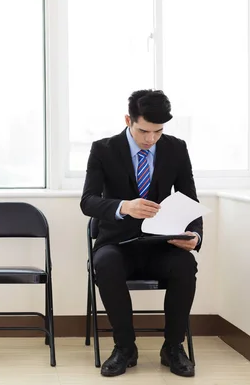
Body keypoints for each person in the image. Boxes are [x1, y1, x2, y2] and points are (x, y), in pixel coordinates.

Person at [80, 89, 202, 378]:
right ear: (128, 120)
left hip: (161, 245)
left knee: (186, 265)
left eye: (158, 132)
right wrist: (125, 206)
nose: (151, 139)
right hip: (118, 244)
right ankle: (125, 348)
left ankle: (173, 347)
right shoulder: (103, 149)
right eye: (144, 131)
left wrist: (195, 236)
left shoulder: (176, 148)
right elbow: (88, 201)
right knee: (105, 263)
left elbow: (190, 200)